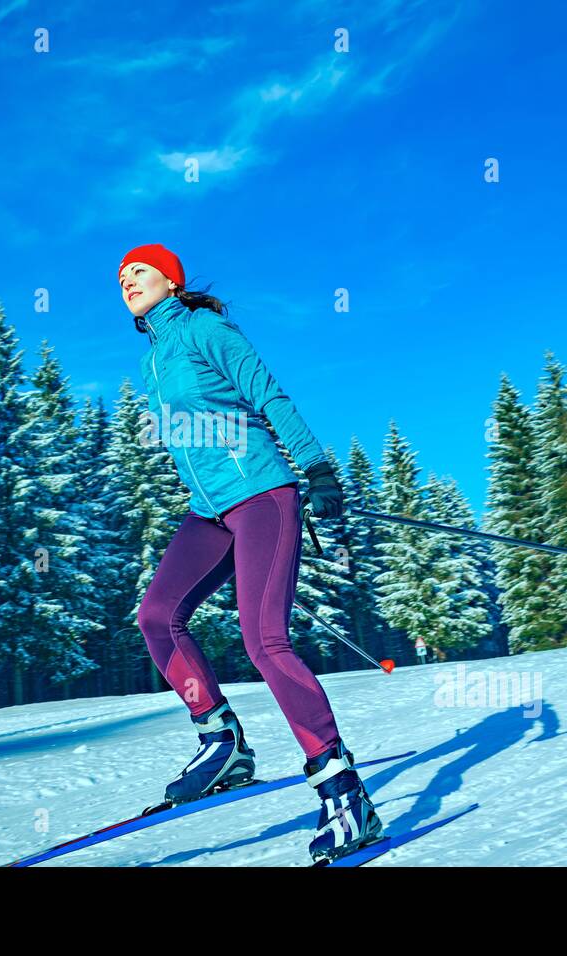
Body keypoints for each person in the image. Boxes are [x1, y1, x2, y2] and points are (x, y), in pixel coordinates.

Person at [120, 242, 384, 863]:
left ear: (171, 280)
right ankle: (221, 741)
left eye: (140, 272)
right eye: (122, 277)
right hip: (210, 509)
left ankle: (343, 790)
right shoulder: (155, 357)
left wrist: (317, 470)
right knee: (157, 615)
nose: (128, 282)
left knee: (265, 640)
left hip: (262, 492)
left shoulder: (205, 328)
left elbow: (270, 396)